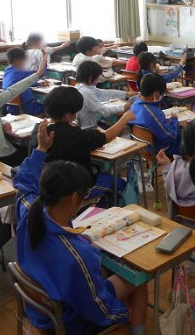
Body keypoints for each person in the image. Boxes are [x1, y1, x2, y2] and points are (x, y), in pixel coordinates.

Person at [15, 120, 147, 335]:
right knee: (138, 277)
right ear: (74, 198)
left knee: (108, 269)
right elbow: (99, 310)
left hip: (41, 309)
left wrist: (41, 149)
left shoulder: (28, 212)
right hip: (71, 322)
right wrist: (122, 313)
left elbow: (23, 182)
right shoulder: (76, 254)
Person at [43, 86, 135, 186]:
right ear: (68, 115)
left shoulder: (40, 129)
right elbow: (106, 137)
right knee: (120, 184)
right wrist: (124, 118)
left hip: (50, 181)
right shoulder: (73, 135)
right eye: (76, 112)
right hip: (77, 184)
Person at [128, 74, 181, 157]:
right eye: (162, 94)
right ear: (156, 94)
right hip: (163, 151)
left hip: (143, 150)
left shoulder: (134, 105)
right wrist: (174, 120)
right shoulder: (153, 112)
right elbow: (171, 136)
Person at [75, 61, 135, 129]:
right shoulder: (86, 93)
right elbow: (104, 111)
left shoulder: (80, 86)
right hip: (89, 128)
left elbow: (102, 93)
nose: (99, 79)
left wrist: (126, 94)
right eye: (98, 77)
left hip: (89, 124)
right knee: (125, 128)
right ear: (90, 78)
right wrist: (123, 107)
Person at [2, 47, 47, 116]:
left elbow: (21, 83)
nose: (25, 62)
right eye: (24, 60)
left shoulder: (8, 71)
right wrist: (44, 60)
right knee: (51, 107)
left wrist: (38, 84)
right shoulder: (19, 73)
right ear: (17, 60)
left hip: (11, 108)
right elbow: (40, 73)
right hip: (26, 109)